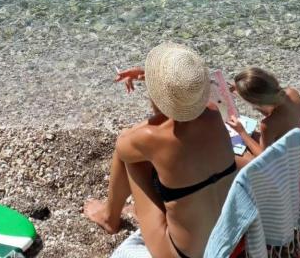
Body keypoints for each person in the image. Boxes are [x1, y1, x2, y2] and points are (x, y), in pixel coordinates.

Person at [84, 43, 236, 258]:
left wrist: (155, 99)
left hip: (181, 254)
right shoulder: (213, 114)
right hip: (226, 241)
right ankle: (140, 211)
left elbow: (124, 142)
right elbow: (181, 119)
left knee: (130, 156)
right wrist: (157, 84)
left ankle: (109, 218)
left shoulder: (151, 137)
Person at [226, 67, 300, 168]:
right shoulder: (292, 93)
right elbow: (275, 113)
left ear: (256, 103)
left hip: (289, 165)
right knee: (253, 136)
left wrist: (241, 131)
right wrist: (242, 92)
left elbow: (264, 158)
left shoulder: (268, 124)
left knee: (234, 154)